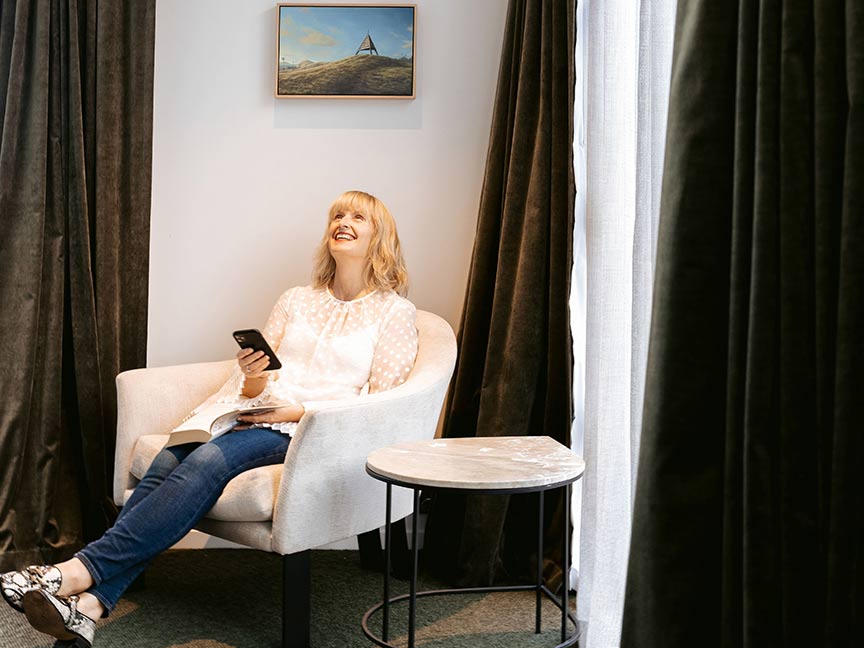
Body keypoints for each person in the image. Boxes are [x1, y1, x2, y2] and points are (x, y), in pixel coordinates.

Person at [1, 190, 419, 647]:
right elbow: (260, 380)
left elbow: (380, 403)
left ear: (381, 236)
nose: (344, 221)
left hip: (310, 429)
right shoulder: (296, 299)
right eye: (338, 214)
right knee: (165, 461)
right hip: (253, 410)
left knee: (205, 463)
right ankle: (91, 606)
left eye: (359, 216)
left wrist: (297, 411)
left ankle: (71, 572)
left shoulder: (394, 313)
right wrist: (253, 377)